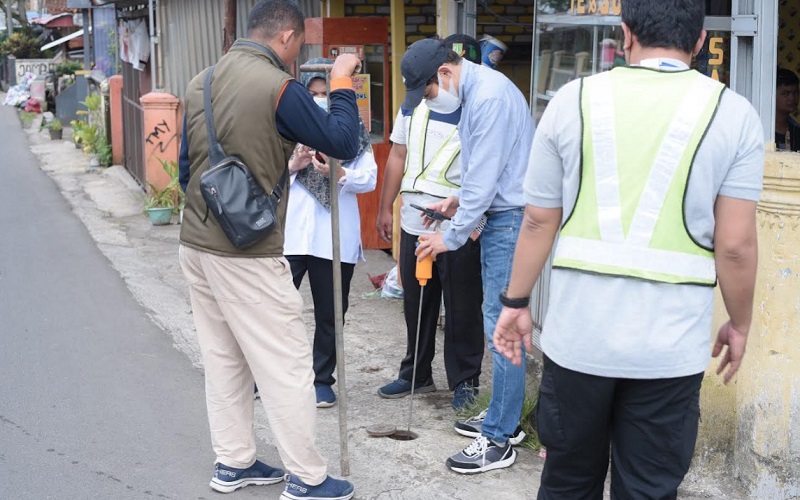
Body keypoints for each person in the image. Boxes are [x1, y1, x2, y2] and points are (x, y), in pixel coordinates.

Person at [493, 0, 764, 497]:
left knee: (568, 481)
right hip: (669, 350)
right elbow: (736, 246)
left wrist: (516, 303)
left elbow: (536, 220)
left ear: (626, 34)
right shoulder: (734, 113)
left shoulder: (571, 100)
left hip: (578, 340)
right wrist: (739, 322)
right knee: (648, 488)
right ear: (700, 41)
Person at [177, 1, 361, 498]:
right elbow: (341, 140)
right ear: (285, 37)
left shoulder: (202, 81)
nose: (299, 54)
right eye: (300, 44)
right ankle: (306, 477)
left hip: (196, 242)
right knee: (286, 364)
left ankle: (234, 463)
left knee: (225, 360)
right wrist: (343, 80)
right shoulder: (278, 86)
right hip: (247, 252)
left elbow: (186, 170)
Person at [403, 37, 535, 473]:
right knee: (496, 320)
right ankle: (504, 416)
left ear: (445, 73)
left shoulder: (490, 99)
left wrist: (451, 236)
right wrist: (458, 201)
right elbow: (484, 171)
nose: (431, 102)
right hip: (499, 213)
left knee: (503, 327)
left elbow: (487, 177)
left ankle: (499, 440)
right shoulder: (479, 93)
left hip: (509, 219)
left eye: (427, 93)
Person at [375, 34, 485, 411]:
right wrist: (383, 208)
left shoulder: (475, 109)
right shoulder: (414, 106)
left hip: (456, 223)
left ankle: (465, 382)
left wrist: (471, 219)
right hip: (412, 221)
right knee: (417, 302)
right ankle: (416, 373)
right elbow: (397, 156)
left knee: (462, 308)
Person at [284, 57, 377, 409]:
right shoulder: (288, 128)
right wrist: (294, 164)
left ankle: (322, 379)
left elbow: (368, 178)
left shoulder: (353, 132)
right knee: (275, 307)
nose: (321, 99)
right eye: (314, 94)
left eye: (327, 93)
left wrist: (337, 173)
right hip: (291, 234)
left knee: (330, 312)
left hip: (333, 237)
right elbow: (265, 175)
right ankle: (270, 375)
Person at [775, 67, 800, 152]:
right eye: (785, 94)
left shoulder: (796, 131)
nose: (792, 98)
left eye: (795, 93)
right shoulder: (760, 129)